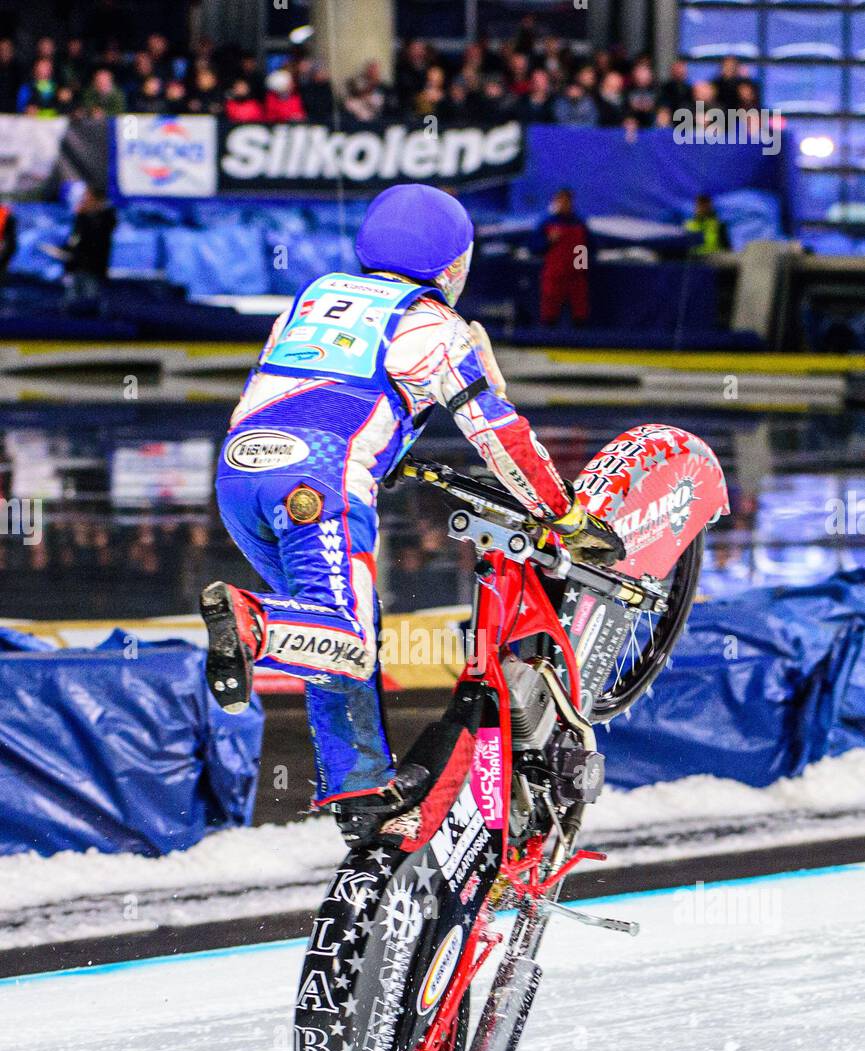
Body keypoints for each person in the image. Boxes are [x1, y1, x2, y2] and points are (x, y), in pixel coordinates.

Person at [200, 184, 623, 846]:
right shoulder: (436, 327)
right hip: (319, 480)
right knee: (342, 631)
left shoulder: (312, 297)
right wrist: (561, 515)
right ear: (453, 263)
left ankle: (359, 786)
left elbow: (307, 389)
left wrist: (387, 448)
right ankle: (252, 624)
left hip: (238, 471)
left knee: (337, 629)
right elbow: (497, 433)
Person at [536, 188, 590, 326]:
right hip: (554, 276)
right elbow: (533, 247)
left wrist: (581, 267)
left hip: (575, 276)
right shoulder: (547, 223)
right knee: (549, 311)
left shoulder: (579, 223)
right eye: (561, 200)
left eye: (567, 201)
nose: (564, 204)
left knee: (579, 311)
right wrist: (548, 241)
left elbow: (586, 247)